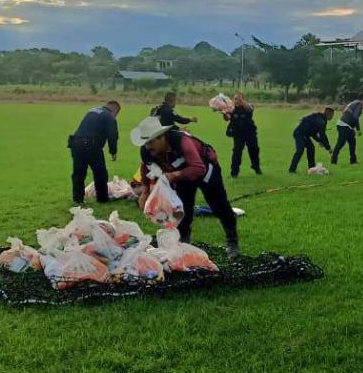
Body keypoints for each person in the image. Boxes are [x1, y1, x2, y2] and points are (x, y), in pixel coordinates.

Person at [131, 116, 240, 257]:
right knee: (182, 209)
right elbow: (146, 169)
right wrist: (145, 191)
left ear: (161, 137)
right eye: (145, 143)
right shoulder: (146, 151)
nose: (148, 147)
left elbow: (198, 168)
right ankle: (183, 242)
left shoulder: (182, 141)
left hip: (206, 171)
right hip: (182, 176)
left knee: (219, 206)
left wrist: (173, 175)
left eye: (150, 142)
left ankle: (232, 241)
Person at [68, 101, 120, 204]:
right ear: (115, 110)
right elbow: (112, 136)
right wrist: (113, 152)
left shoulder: (92, 110)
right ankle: (102, 198)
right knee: (100, 173)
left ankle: (77, 199)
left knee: (79, 173)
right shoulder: (109, 116)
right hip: (91, 145)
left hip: (76, 143)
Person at [224, 93, 261, 178]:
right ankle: (234, 173)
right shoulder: (231, 109)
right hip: (238, 133)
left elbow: (250, 109)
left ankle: (256, 167)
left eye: (239, 99)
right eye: (235, 99)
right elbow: (227, 118)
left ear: (244, 99)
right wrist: (225, 113)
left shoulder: (248, 106)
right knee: (237, 152)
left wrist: (242, 102)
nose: (237, 100)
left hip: (250, 132)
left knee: (254, 150)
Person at [288, 107, 335, 173]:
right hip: (299, 134)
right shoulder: (321, 121)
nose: (333, 117)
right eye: (332, 115)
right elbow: (323, 135)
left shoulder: (320, 118)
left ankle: (312, 169)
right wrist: (328, 148)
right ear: (329, 114)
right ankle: (291, 170)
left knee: (311, 148)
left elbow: (313, 133)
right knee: (300, 150)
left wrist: (319, 141)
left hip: (305, 135)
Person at [331, 96, 363, 165]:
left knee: (352, 142)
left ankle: (353, 161)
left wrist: (352, 128)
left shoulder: (353, 103)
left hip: (343, 124)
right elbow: (355, 117)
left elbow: (346, 113)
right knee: (340, 143)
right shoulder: (359, 104)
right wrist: (358, 129)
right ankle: (333, 161)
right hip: (344, 126)